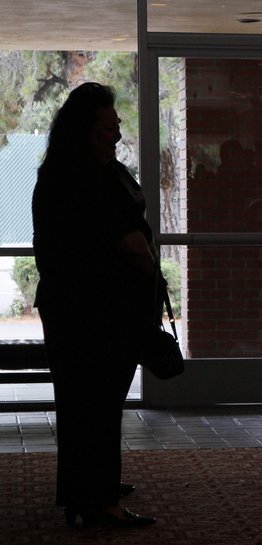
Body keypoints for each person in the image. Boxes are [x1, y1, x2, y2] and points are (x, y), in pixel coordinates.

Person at [33, 82, 158, 527]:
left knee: (80, 402)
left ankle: (84, 490)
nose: (116, 134)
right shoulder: (92, 176)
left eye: (117, 125)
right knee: (101, 403)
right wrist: (151, 275)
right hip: (101, 308)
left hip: (71, 305)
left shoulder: (60, 172)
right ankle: (101, 500)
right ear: (85, 129)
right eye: (108, 127)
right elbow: (128, 241)